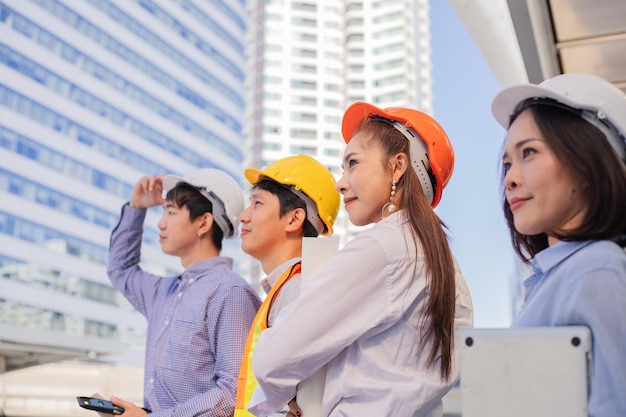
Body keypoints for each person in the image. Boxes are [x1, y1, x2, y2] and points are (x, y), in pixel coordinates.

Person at [249, 103, 474, 417]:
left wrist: (285, 396)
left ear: (397, 166)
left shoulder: (383, 247)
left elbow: (272, 359)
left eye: (352, 163)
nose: (341, 182)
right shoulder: (445, 263)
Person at [491, 72, 626, 416]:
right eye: (507, 163)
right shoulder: (555, 276)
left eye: (529, 152)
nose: (510, 177)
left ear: (586, 162)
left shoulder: (596, 269)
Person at [106, 168, 262, 417]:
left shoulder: (230, 292)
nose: (161, 223)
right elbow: (120, 269)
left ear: (203, 222)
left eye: (170, 212)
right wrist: (136, 208)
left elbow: (234, 393)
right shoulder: (164, 292)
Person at [234, 154, 340, 417]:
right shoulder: (289, 288)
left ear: (294, 219)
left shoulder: (299, 290)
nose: (244, 216)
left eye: (257, 203)